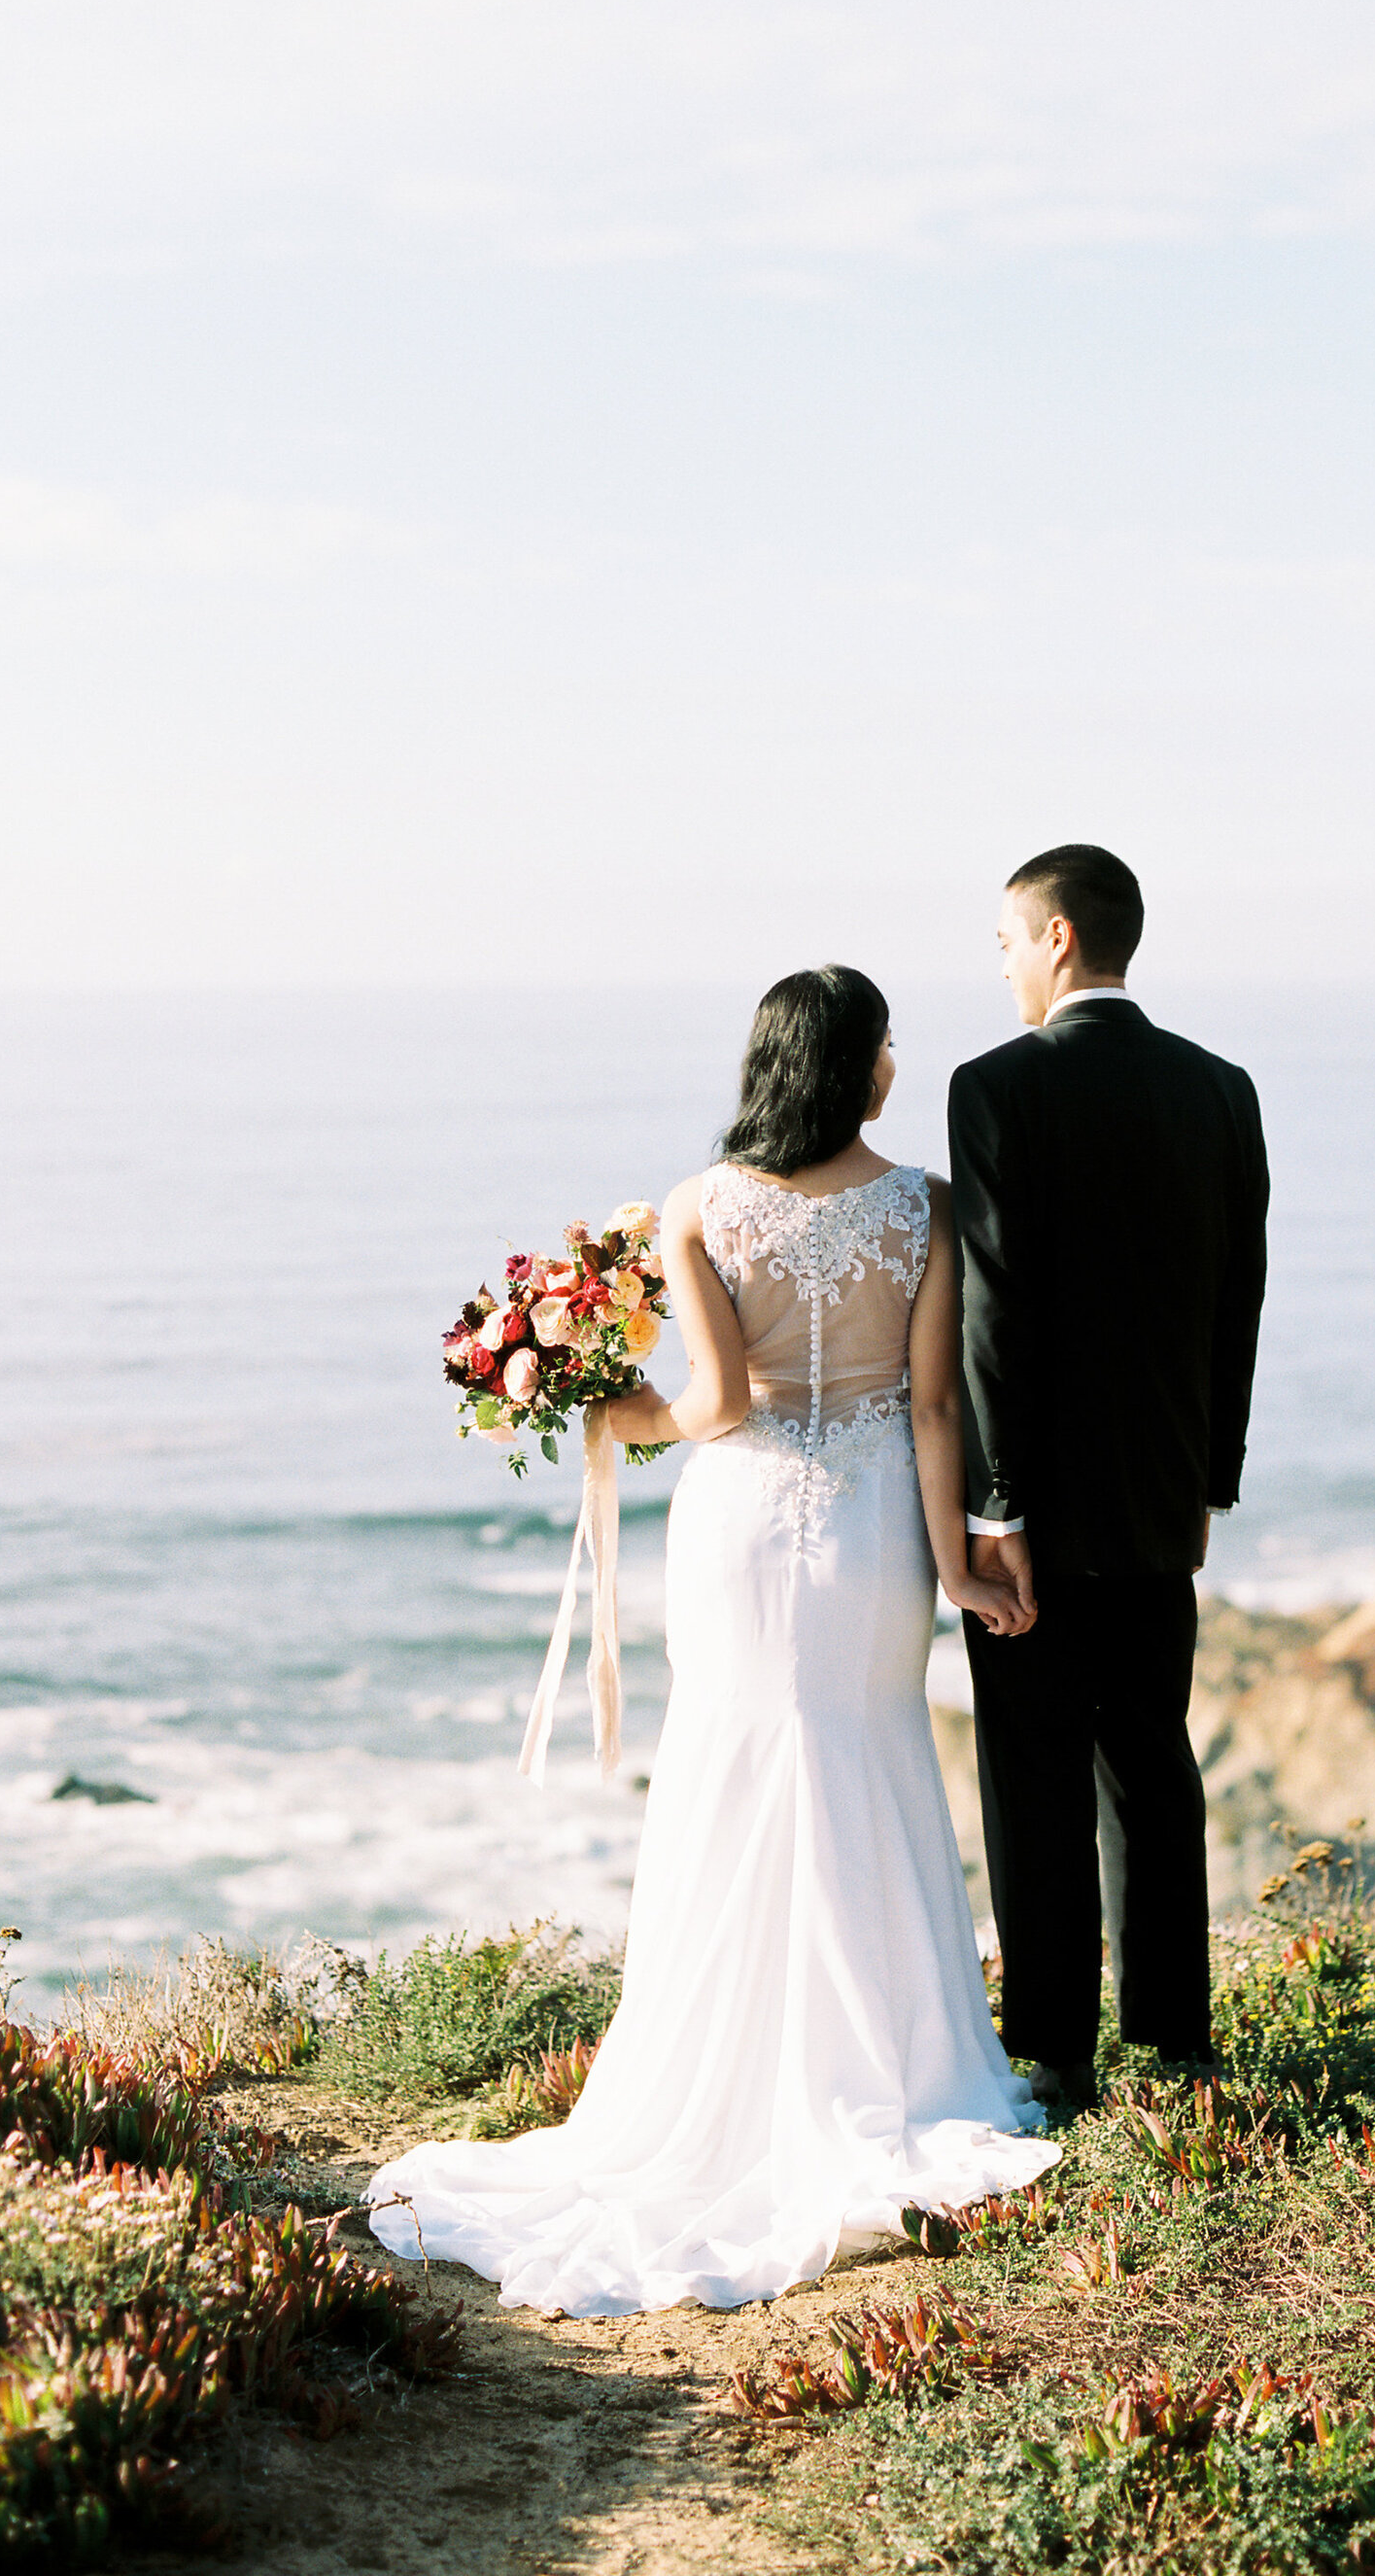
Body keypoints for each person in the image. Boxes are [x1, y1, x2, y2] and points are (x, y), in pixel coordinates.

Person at [367, 965, 1058, 2315]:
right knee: (863, 1752)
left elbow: (718, 1401)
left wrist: (615, 1415)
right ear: (866, 1067)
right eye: (890, 1046)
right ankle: (897, 2066)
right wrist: (965, 1563)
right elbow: (930, 1409)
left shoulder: (698, 1205)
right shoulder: (925, 1205)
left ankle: (719, 2069)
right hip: (870, 1527)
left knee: (736, 1763)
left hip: (737, 1522)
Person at [948, 845, 1270, 2109]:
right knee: (1152, 1761)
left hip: (1036, 1513)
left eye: (1011, 941)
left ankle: (1055, 2056)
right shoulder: (1221, 1090)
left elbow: (993, 1308)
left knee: (1033, 1770)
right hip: (1161, 1498)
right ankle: (1176, 2045)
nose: (1010, 964)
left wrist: (998, 1507)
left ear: (1061, 939)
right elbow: (1237, 1303)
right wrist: (1213, 1482)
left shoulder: (996, 1088)